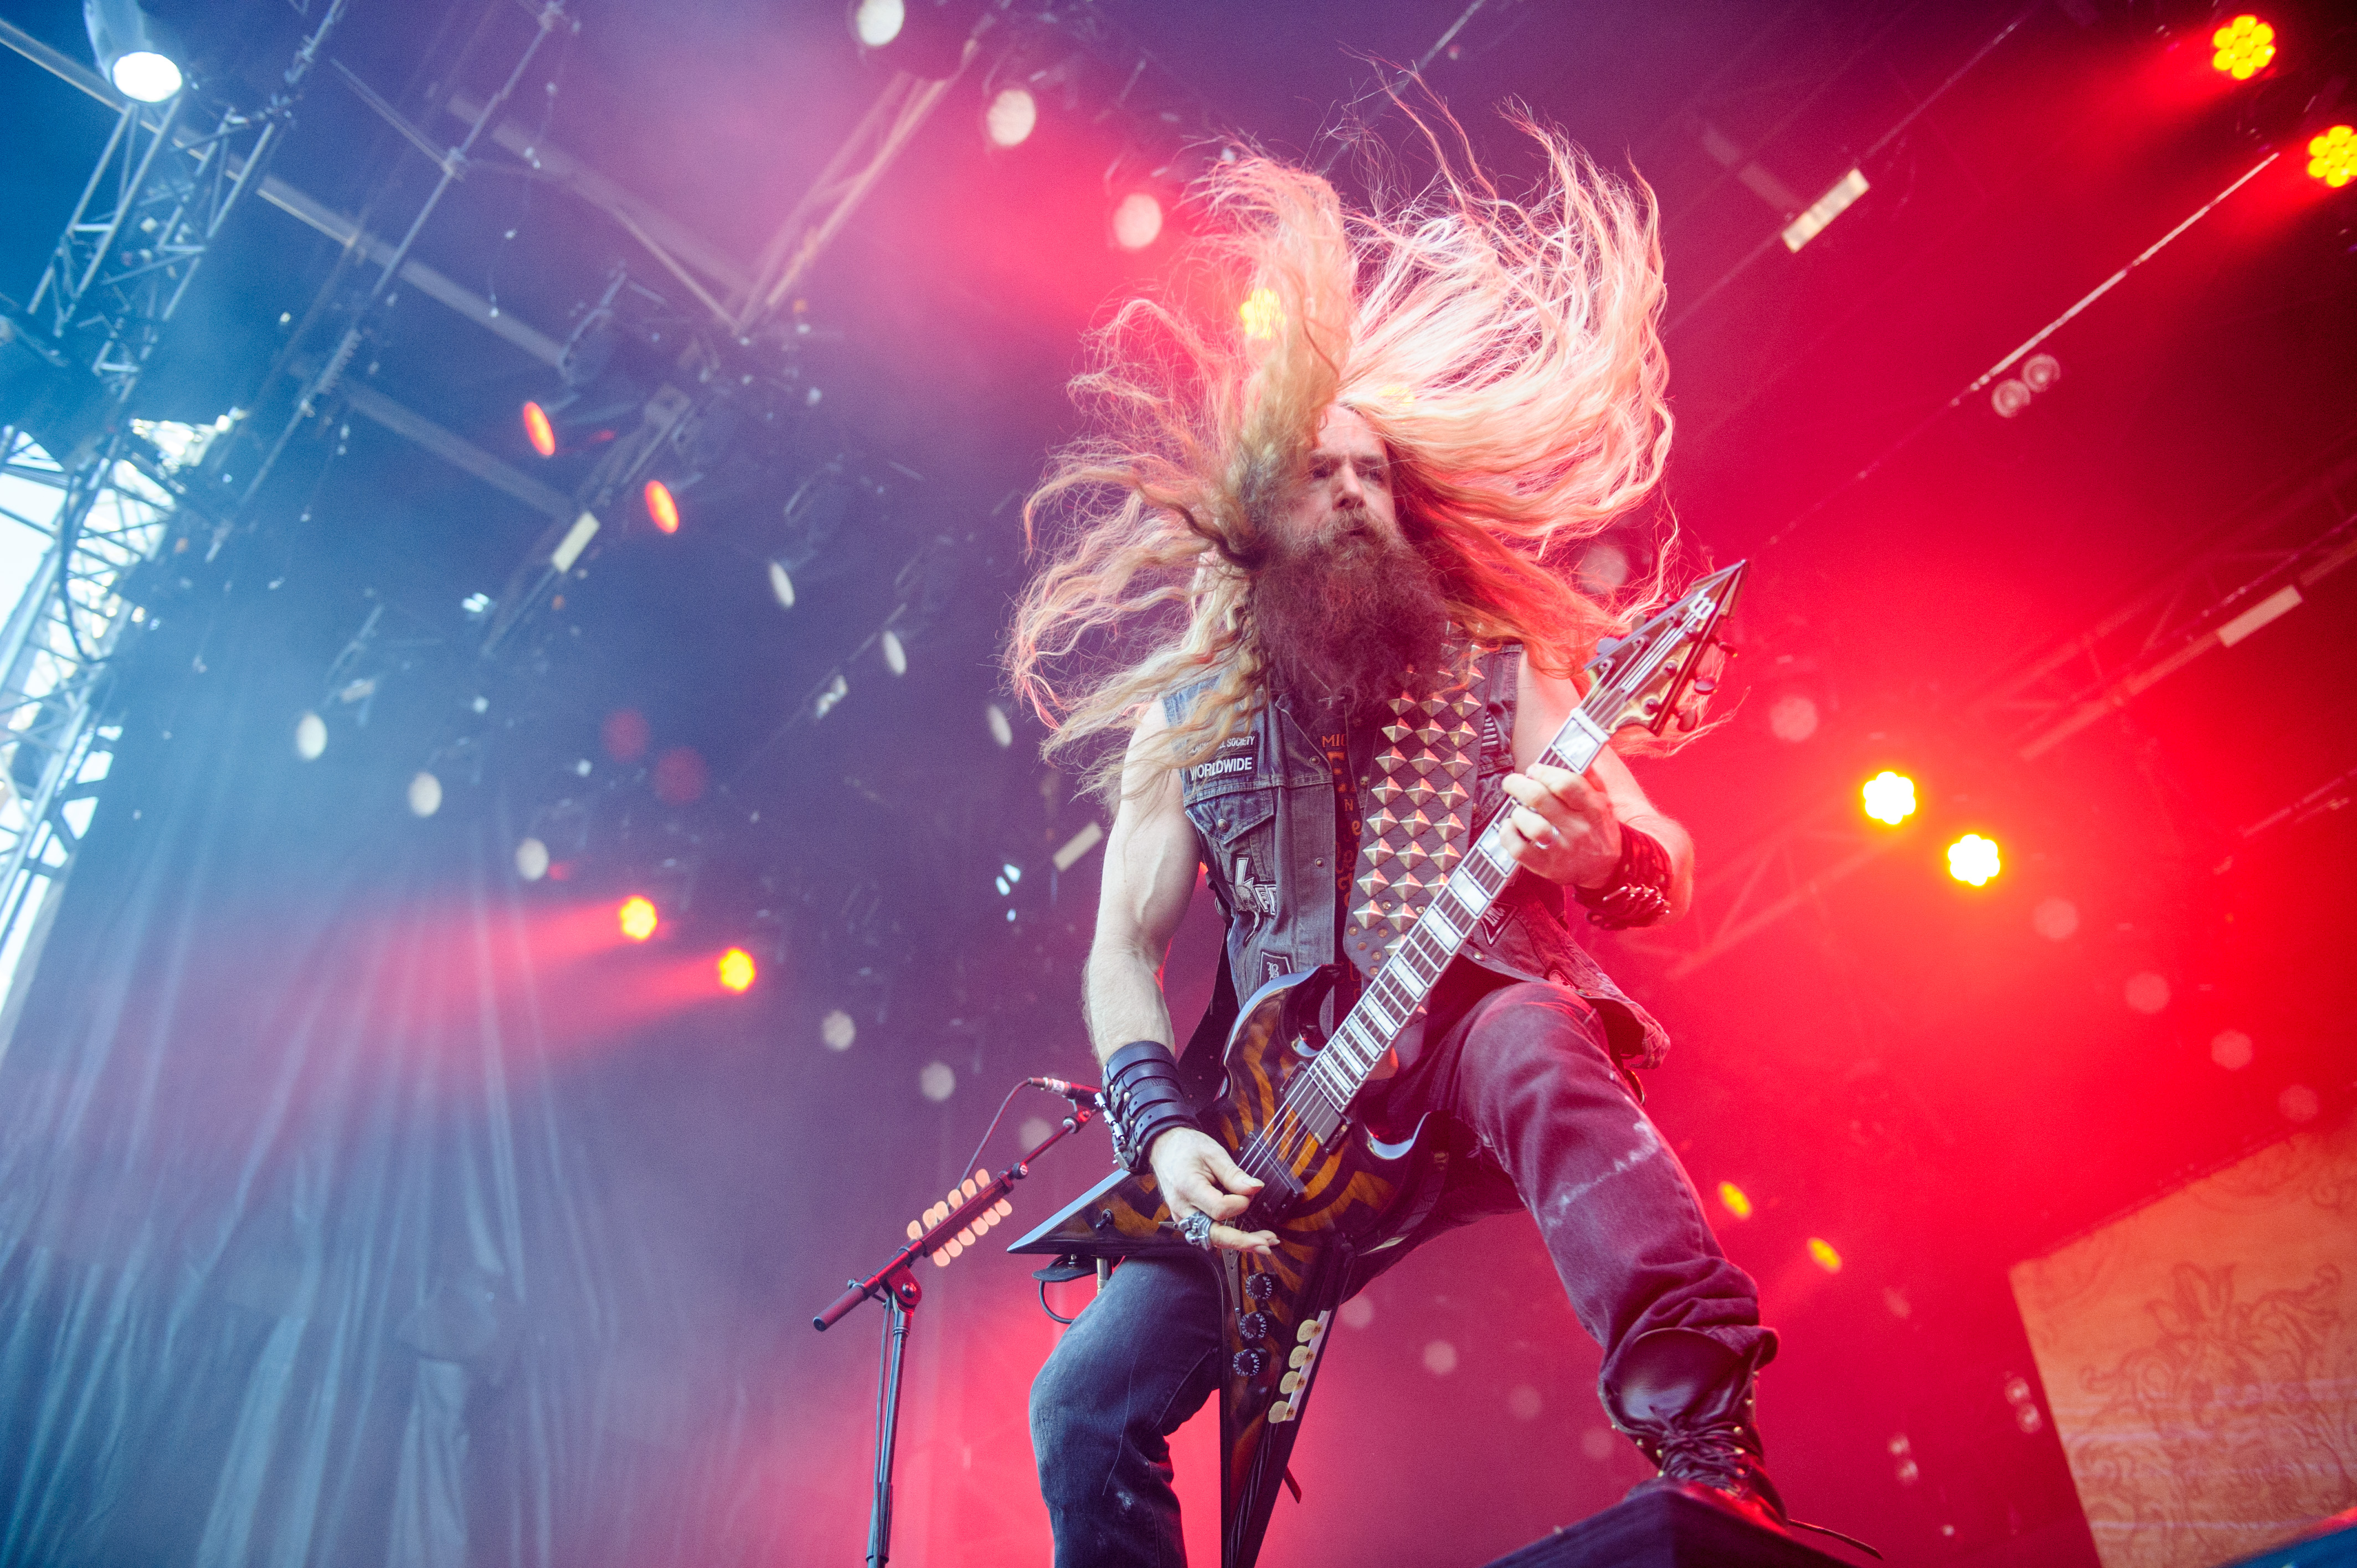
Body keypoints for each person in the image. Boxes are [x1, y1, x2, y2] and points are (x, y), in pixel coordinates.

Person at [1006, 111, 1780, 1568]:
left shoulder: (1493, 663)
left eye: (1375, 475)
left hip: (1462, 1037)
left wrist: (1596, 856)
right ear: (1259, 511)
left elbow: (1657, 852)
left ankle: (1707, 1446)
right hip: (1271, 1128)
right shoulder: (1185, 722)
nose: (1358, 494)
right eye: (1323, 474)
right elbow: (1122, 949)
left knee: (1535, 1041)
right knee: (1080, 1403)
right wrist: (1162, 1132)